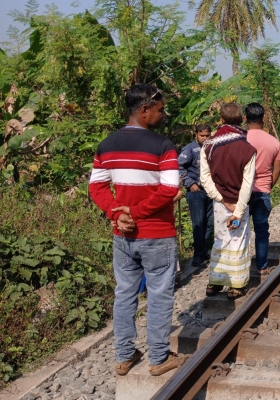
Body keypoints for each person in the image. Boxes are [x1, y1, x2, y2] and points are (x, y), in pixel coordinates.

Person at [89, 84, 186, 376]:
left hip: (123, 235)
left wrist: (116, 213)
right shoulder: (162, 146)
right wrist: (136, 212)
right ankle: (158, 358)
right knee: (159, 294)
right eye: (159, 109)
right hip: (157, 234)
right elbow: (170, 188)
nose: (163, 115)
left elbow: (96, 186)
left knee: (125, 294)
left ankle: (123, 356)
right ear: (144, 110)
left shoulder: (107, 144)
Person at [199, 103, 257, 300]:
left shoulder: (208, 145)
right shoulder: (247, 148)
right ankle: (236, 285)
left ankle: (215, 282)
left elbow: (204, 178)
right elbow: (247, 184)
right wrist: (238, 210)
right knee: (238, 241)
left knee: (220, 239)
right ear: (241, 120)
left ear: (222, 120)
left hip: (219, 204)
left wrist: (221, 200)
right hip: (239, 203)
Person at [244, 103, 280, 274]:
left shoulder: (240, 140)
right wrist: (268, 185)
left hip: (241, 194)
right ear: (264, 119)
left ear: (245, 119)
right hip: (262, 192)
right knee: (261, 230)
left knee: (239, 232)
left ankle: (240, 267)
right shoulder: (274, 142)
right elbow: (278, 169)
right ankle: (261, 266)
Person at [178, 124, 213, 270]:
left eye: (207, 135)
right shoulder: (190, 149)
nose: (205, 138)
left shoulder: (212, 148)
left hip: (210, 190)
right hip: (196, 190)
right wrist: (190, 183)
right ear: (196, 135)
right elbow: (179, 166)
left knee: (209, 221)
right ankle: (198, 254)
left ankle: (203, 250)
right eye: (202, 135)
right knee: (198, 222)